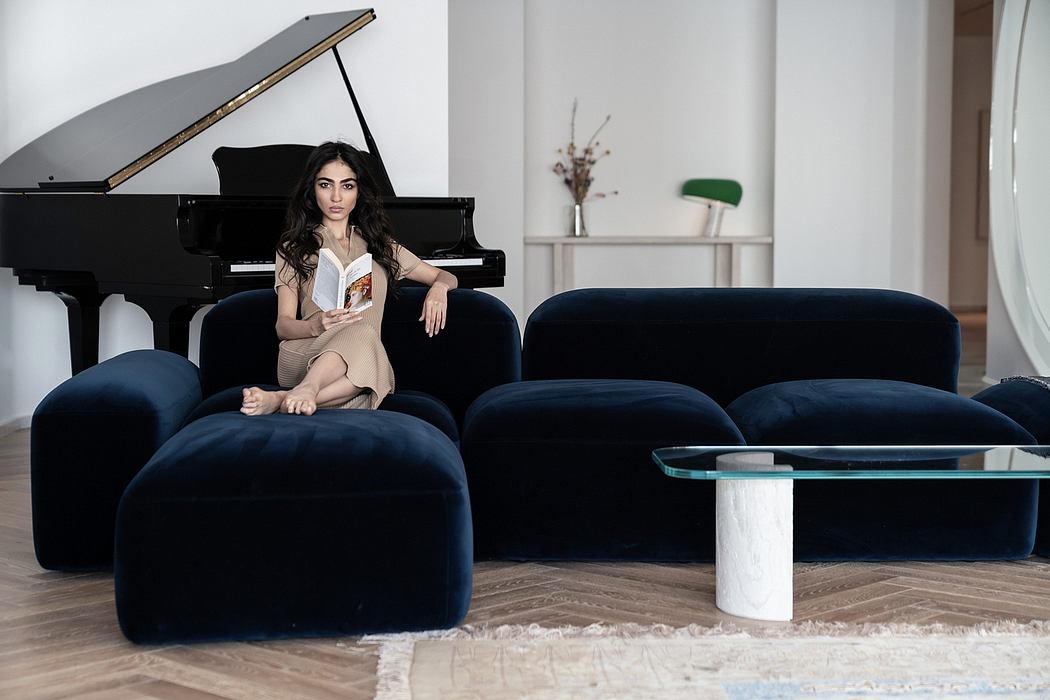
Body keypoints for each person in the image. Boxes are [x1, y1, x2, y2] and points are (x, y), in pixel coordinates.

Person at [241, 141, 458, 416]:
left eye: (347, 186)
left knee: (367, 344)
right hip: (308, 352)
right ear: (312, 189)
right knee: (367, 345)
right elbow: (282, 327)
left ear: (358, 191)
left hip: (359, 361)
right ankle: (305, 387)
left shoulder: (380, 245)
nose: (336, 197)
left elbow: (445, 275)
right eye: (325, 184)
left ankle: (287, 399)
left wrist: (439, 288)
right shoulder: (293, 247)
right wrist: (316, 325)